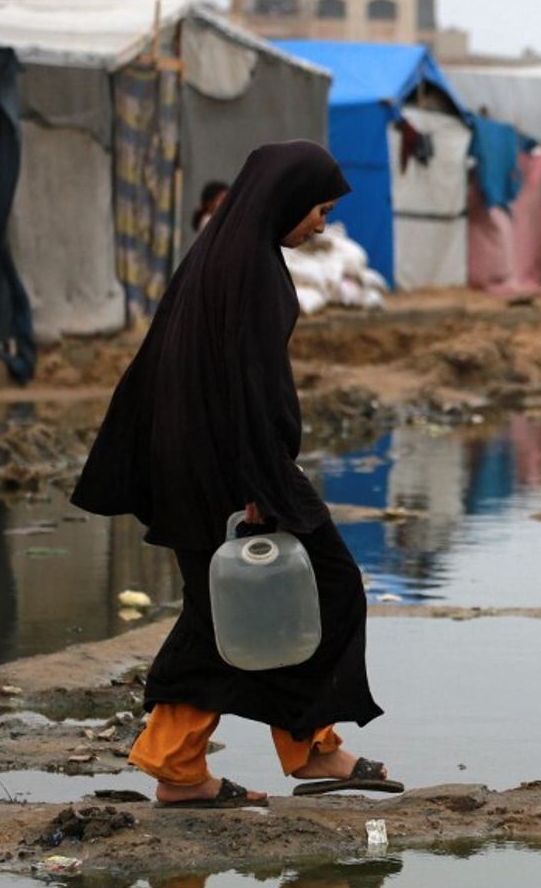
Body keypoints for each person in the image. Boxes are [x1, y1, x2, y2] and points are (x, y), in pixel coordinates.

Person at [71, 140, 396, 809]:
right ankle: (304, 748)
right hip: (231, 467)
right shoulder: (246, 267)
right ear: (285, 199)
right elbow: (244, 389)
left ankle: (196, 762)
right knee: (326, 586)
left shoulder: (225, 256)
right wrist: (258, 486)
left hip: (203, 461)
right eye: (319, 209)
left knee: (225, 612)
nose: (321, 225)